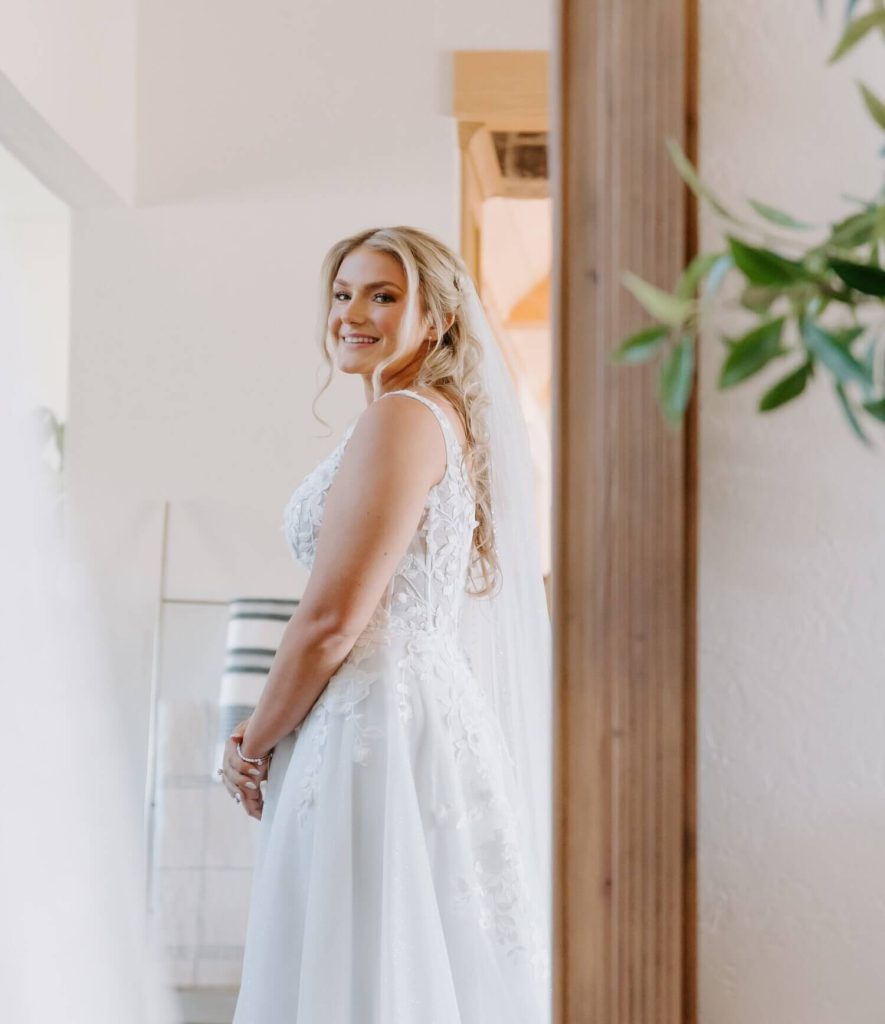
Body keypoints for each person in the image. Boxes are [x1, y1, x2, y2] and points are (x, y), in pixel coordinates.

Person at [220, 226, 552, 1023]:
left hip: (377, 726)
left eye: (383, 295)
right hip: (410, 713)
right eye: (343, 294)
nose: (353, 313)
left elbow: (333, 618)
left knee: (364, 959)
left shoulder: (402, 418)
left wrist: (252, 741)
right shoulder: (427, 416)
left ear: (433, 320)